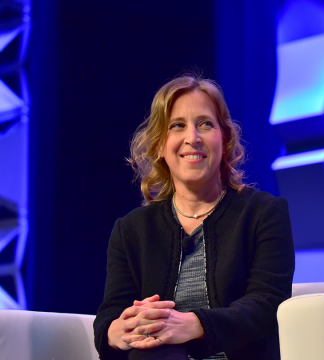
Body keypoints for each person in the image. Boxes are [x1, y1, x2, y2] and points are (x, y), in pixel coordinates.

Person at [93, 74, 295, 360]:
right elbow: (111, 312)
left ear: (224, 139)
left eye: (205, 124)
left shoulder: (263, 213)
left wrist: (196, 325)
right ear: (160, 146)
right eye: (177, 126)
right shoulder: (131, 230)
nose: (192, 138)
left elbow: (266, 303)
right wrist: (116, 331)